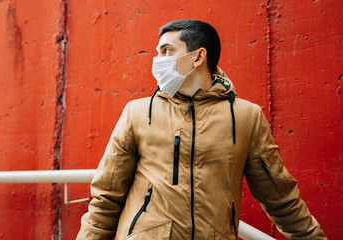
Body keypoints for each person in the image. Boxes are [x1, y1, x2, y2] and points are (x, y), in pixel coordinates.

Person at [77, 19, 326, 240]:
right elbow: (106, 199)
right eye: (157, 52)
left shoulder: (246, 117)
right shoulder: (138, 113)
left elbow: (280, 198)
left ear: (198, 57)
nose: (157, 61)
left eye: (167, 51)